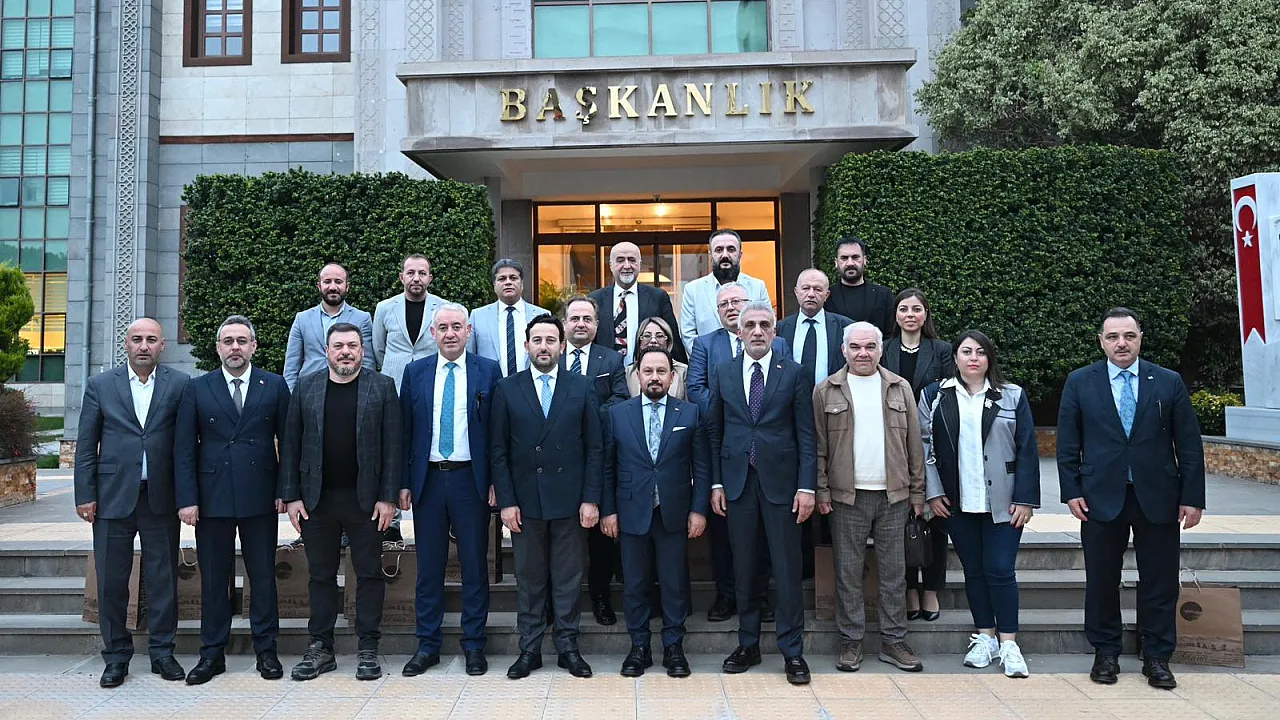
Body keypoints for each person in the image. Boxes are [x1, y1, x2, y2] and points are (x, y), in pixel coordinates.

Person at [1057, 307, 1205, 690]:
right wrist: (1071, 491)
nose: (1121, 343)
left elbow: (1189, 444)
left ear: (1140, 338)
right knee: (1101, 580)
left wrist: (1193, 497)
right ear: (1101, 341)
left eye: (1128, 336)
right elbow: (1068, 444)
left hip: (1159, 496)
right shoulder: (1080, 381)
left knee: (1160, 581)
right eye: (1113, 337)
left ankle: (1156, 657)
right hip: (1099, 497)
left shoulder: (1168, 381)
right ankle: (1105, 653)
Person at [279, 323, 401, 682]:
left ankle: (368, 647)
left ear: (362, 351)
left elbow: (393, 446)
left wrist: (388, 497)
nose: (345, 352)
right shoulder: (306, 387)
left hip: (366, 502)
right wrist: (292, 496)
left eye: (352, 346)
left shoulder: (382, 386)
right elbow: (291, 443)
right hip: (317, 501)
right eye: (338, 346)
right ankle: (321, 647)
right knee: (320, 575)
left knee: (369, 574)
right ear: (327, 351)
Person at [174, 315, 290, 684]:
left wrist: (286, 491)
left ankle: (266, 651)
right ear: (218, 347)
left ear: (253, 346)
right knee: (213, 579)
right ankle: (212, 653)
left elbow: (290, 443)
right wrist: (187, 499)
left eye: (242, 341)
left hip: (260, 495)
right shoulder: (197, 388)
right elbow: (184, 449)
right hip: (212, 498)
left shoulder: (274, 385)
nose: (235, 347)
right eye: (228, 341)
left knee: (263, 576)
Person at [74, 318, 189, 689]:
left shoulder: (180, 384)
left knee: (163, 579)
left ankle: (162, 653)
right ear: (126, 344)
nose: (144, 345)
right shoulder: (100, 385)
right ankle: (116, 657)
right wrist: (85, 494)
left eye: (151, 339)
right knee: (111, 581)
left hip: (160, 498)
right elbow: (86, 444)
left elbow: (187, 445)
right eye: (137, 339)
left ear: (162, 345)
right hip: (111, 498)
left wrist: (188, 497)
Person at [918, 330, 1040, 678]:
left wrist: (1025, 499)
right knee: (973, 570)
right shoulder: (935, 395)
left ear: (990, 358)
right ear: (955, 357)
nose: (973, 358)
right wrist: (933, 492)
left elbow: (1027, 449)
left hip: (1004, 501)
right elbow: (923, 446)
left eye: (980, 352)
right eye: (966, 351)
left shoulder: (1011, 395)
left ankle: (1009, 643)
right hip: (957, 501)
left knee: (1000, 568)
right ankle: (985, 636)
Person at [490, 315, 603, 679]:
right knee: (529, 578)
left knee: (568, 578)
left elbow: (595, 448)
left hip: (570, 500)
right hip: (525, 502)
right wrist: (506, 502)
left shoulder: (582, 386)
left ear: (562, 346)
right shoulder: (507, 388)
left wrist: (591, 499)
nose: (543, 346)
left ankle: (568, 647)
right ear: (526, 346)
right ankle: (530, 649)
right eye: (537, 340)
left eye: (550, 340)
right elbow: (498, 451)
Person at [708, 302, 816, 685]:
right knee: (744, 567)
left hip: (783, 485)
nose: (757, 331)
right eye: (750, 325)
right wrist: (716, 482)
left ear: (774, 332)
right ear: (739, 333)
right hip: (737, 483)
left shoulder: (795, 373)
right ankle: (748, 644)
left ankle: (792, 651)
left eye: (764, 325)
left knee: (786, 569)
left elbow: (807, 434)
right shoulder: (723, 372)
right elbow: (715, 431)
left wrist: (807, 486)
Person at [813, 322, 926, 673]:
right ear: (844, 350)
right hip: (847, 497)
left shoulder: (899, 387)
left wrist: (918, 492)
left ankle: (894, 641)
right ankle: (851, 642)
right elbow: (819, 447)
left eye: (870, 347)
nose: (863, 353)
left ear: (880, 350)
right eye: (856, 347)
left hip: (894, 496)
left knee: (894, 573)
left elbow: (914, 444)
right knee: (847, 573)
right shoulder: (826, 390)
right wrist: (822, 490)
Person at [398, 303, 502, 677]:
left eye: (457, 326)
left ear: (469, 331)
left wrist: (496, 481)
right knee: (429, 567)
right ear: (433, 333)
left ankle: (474, 644)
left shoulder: (488, 370)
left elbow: (497, 432)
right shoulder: (415, 372)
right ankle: (427, 645)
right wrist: (403, 482)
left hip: (470, 480)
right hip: (427, 481)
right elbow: (404, 431)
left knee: (474, 565)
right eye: (443, 327)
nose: (450, 333)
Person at [600, 347, 711, 678]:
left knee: (674, 583)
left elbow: (702, 466)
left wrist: (699, 510)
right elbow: (607, 467)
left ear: (672, 376)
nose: (654, 377)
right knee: (635, 584)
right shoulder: (618, 414)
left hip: (673, 512)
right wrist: (608, 511)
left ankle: (674, 647)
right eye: (648, 371)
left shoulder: (689, 413)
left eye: (661, 371)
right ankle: (639, 648)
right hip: (631, 511)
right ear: (637, 375)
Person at [686, 282, 786, 622]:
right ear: (717, 312)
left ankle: (761, 595)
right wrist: (730, 409)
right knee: (725, 531)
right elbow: (696, 387)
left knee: (765, 534)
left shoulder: (778, 343)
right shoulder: (705, 344)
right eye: (724, 303)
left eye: (737, 301)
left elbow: (783, 389)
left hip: (768, 454)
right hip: (723, 444)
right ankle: (726, 595)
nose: (730, 307)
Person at [881, 288, 954, 622]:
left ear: (926, 315)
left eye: (916, 309)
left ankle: (931, 590)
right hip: (892, 443)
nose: (910, 315)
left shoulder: (942, 350)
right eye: (903, 309)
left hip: (932, 443)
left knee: (935, 521)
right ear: (896, 315)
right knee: (902, 522)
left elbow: (949, 394)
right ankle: (910, 589)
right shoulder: (883, 348)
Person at [560, 295, 629, 625]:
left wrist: (587, 416)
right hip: (561, 461)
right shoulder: (551, 356)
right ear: (564, 324)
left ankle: (600, 597)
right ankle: (558, 602)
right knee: (563, 536)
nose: (581, 324)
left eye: (587, 319)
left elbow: (620, 398)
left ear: (597, 325)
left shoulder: (611, 359)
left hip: (599, 458)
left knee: (600, 538)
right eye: (574, 318)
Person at [589, 241, 687, 364]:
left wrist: (683, 371)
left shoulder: (658, 298)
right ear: (611, 265)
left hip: (646, 371)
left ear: (639, 264)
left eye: (632, 260)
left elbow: (673, 340)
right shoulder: (596, 299)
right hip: (606, 372)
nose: (627, 266)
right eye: (620, 260)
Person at [283, 262, 376, 391]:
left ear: (347, 286)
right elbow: (291, 365)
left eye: (338, 282)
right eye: (327, 281)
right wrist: (291, 394)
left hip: (350, 389)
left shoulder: (362, 318)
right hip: (309, 390)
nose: (333, 287)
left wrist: (365, 392)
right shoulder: (302, 319)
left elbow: (368, 362)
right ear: (319, 286)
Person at [679, 229, 772, 355]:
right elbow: (688, 335)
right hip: (709, 364)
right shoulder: (693, 290)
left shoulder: (757, 287)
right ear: (711, 254)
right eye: (719, 250)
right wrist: (706, 360)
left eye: (731, 249)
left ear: (740, 254)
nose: (725, 255)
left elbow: (768, 325)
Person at [372, 254, 449, 393]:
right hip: (393, 383)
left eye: (422, 273)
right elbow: (378, 348)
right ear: (402, 277)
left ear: (430, 278)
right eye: (411, 273)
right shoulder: (384, 308)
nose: (416, 278)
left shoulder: (444, 308)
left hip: (431, 382)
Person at [468, 258, 551, 377]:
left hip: (532, 384)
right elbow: (470, 357)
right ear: (494, 285)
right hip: (491, 385)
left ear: (521, 283)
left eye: (513, 278)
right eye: (502, 279)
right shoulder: (478, 316)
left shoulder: (542, 315)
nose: (508, 282)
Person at [823, 237, 894, 337]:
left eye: (855, 257)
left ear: (865, 260)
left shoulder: (884, 295)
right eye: (844, 258)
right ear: (836, 262)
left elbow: (891, 335)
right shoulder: (826, 296)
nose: (850, 263)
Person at [625, 317, 688, 399]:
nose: (653, 340)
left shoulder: (683, 371)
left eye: (659, 336)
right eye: (647, 336)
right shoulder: (628, 372)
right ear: (639, 342)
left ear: (668, 342)